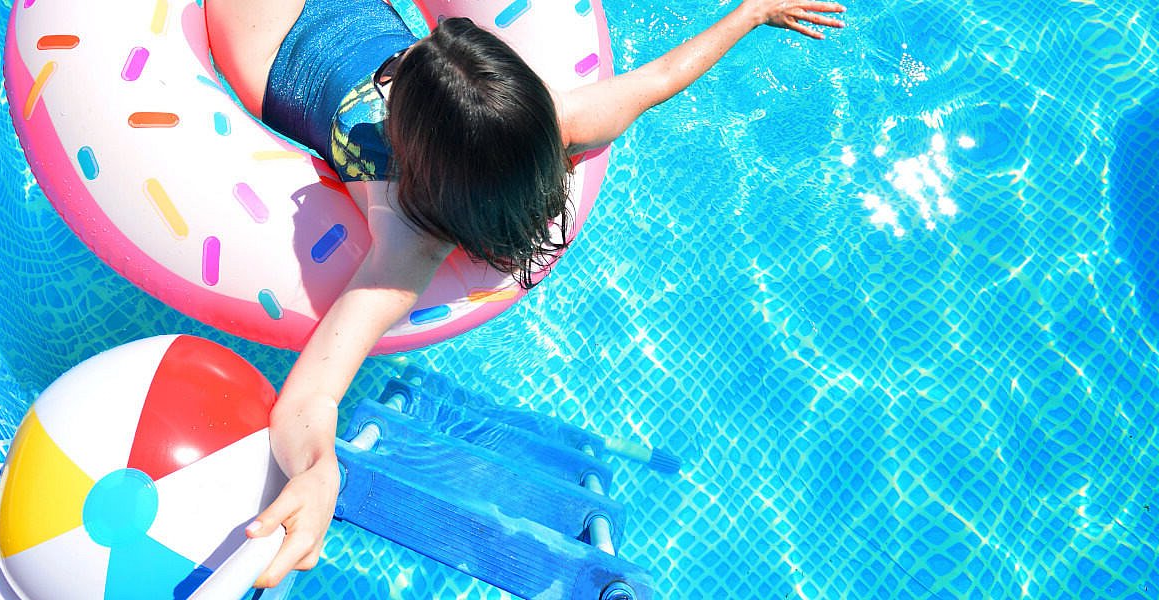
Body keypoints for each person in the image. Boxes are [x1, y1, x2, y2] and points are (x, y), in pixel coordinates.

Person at [203, 0, 847, 587]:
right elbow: (310, 395)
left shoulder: (555, 125)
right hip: (266, 41)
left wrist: (753, 13)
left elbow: (659, 80)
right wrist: (316, 468)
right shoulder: (407, 234)